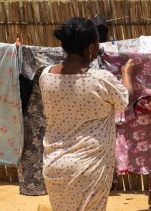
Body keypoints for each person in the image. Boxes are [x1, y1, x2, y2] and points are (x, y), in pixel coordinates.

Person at [39, 17, 134, 211]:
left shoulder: (46, 75)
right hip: (88, 166)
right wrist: (127, 74)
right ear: (91, 47)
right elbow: (125, 100)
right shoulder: (101, 79)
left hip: (54, 164)